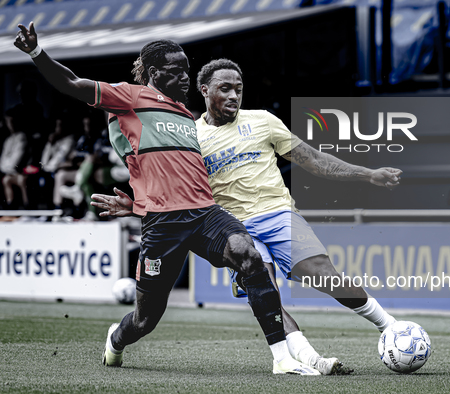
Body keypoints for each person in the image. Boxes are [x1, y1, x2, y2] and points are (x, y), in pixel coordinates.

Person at [14, 23, 319, 375]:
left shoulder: (186, 115)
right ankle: (116, 340)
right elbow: (71, 83)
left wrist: (136, 200)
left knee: (247, 255)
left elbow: (173, 171)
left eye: (187, 71)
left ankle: (282, 358)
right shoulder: (130, 97)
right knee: (146, 320)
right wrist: (37, 53)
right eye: (177, 72)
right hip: (163, 224)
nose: (186, 78)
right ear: (155, 73)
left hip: (206, 214)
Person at [92, 58, 402, 373]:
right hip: (232, 228)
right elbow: (173, 190)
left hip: (278, 214)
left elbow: (314, 159)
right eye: (224, 88)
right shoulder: (188, 134)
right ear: (204, 90)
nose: (233, 96)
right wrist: (136, 206)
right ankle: (310, 359)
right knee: (266, 288)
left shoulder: (264, 121)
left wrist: (369, 174)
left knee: (322, 273)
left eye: (238, 89)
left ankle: (389, 325)